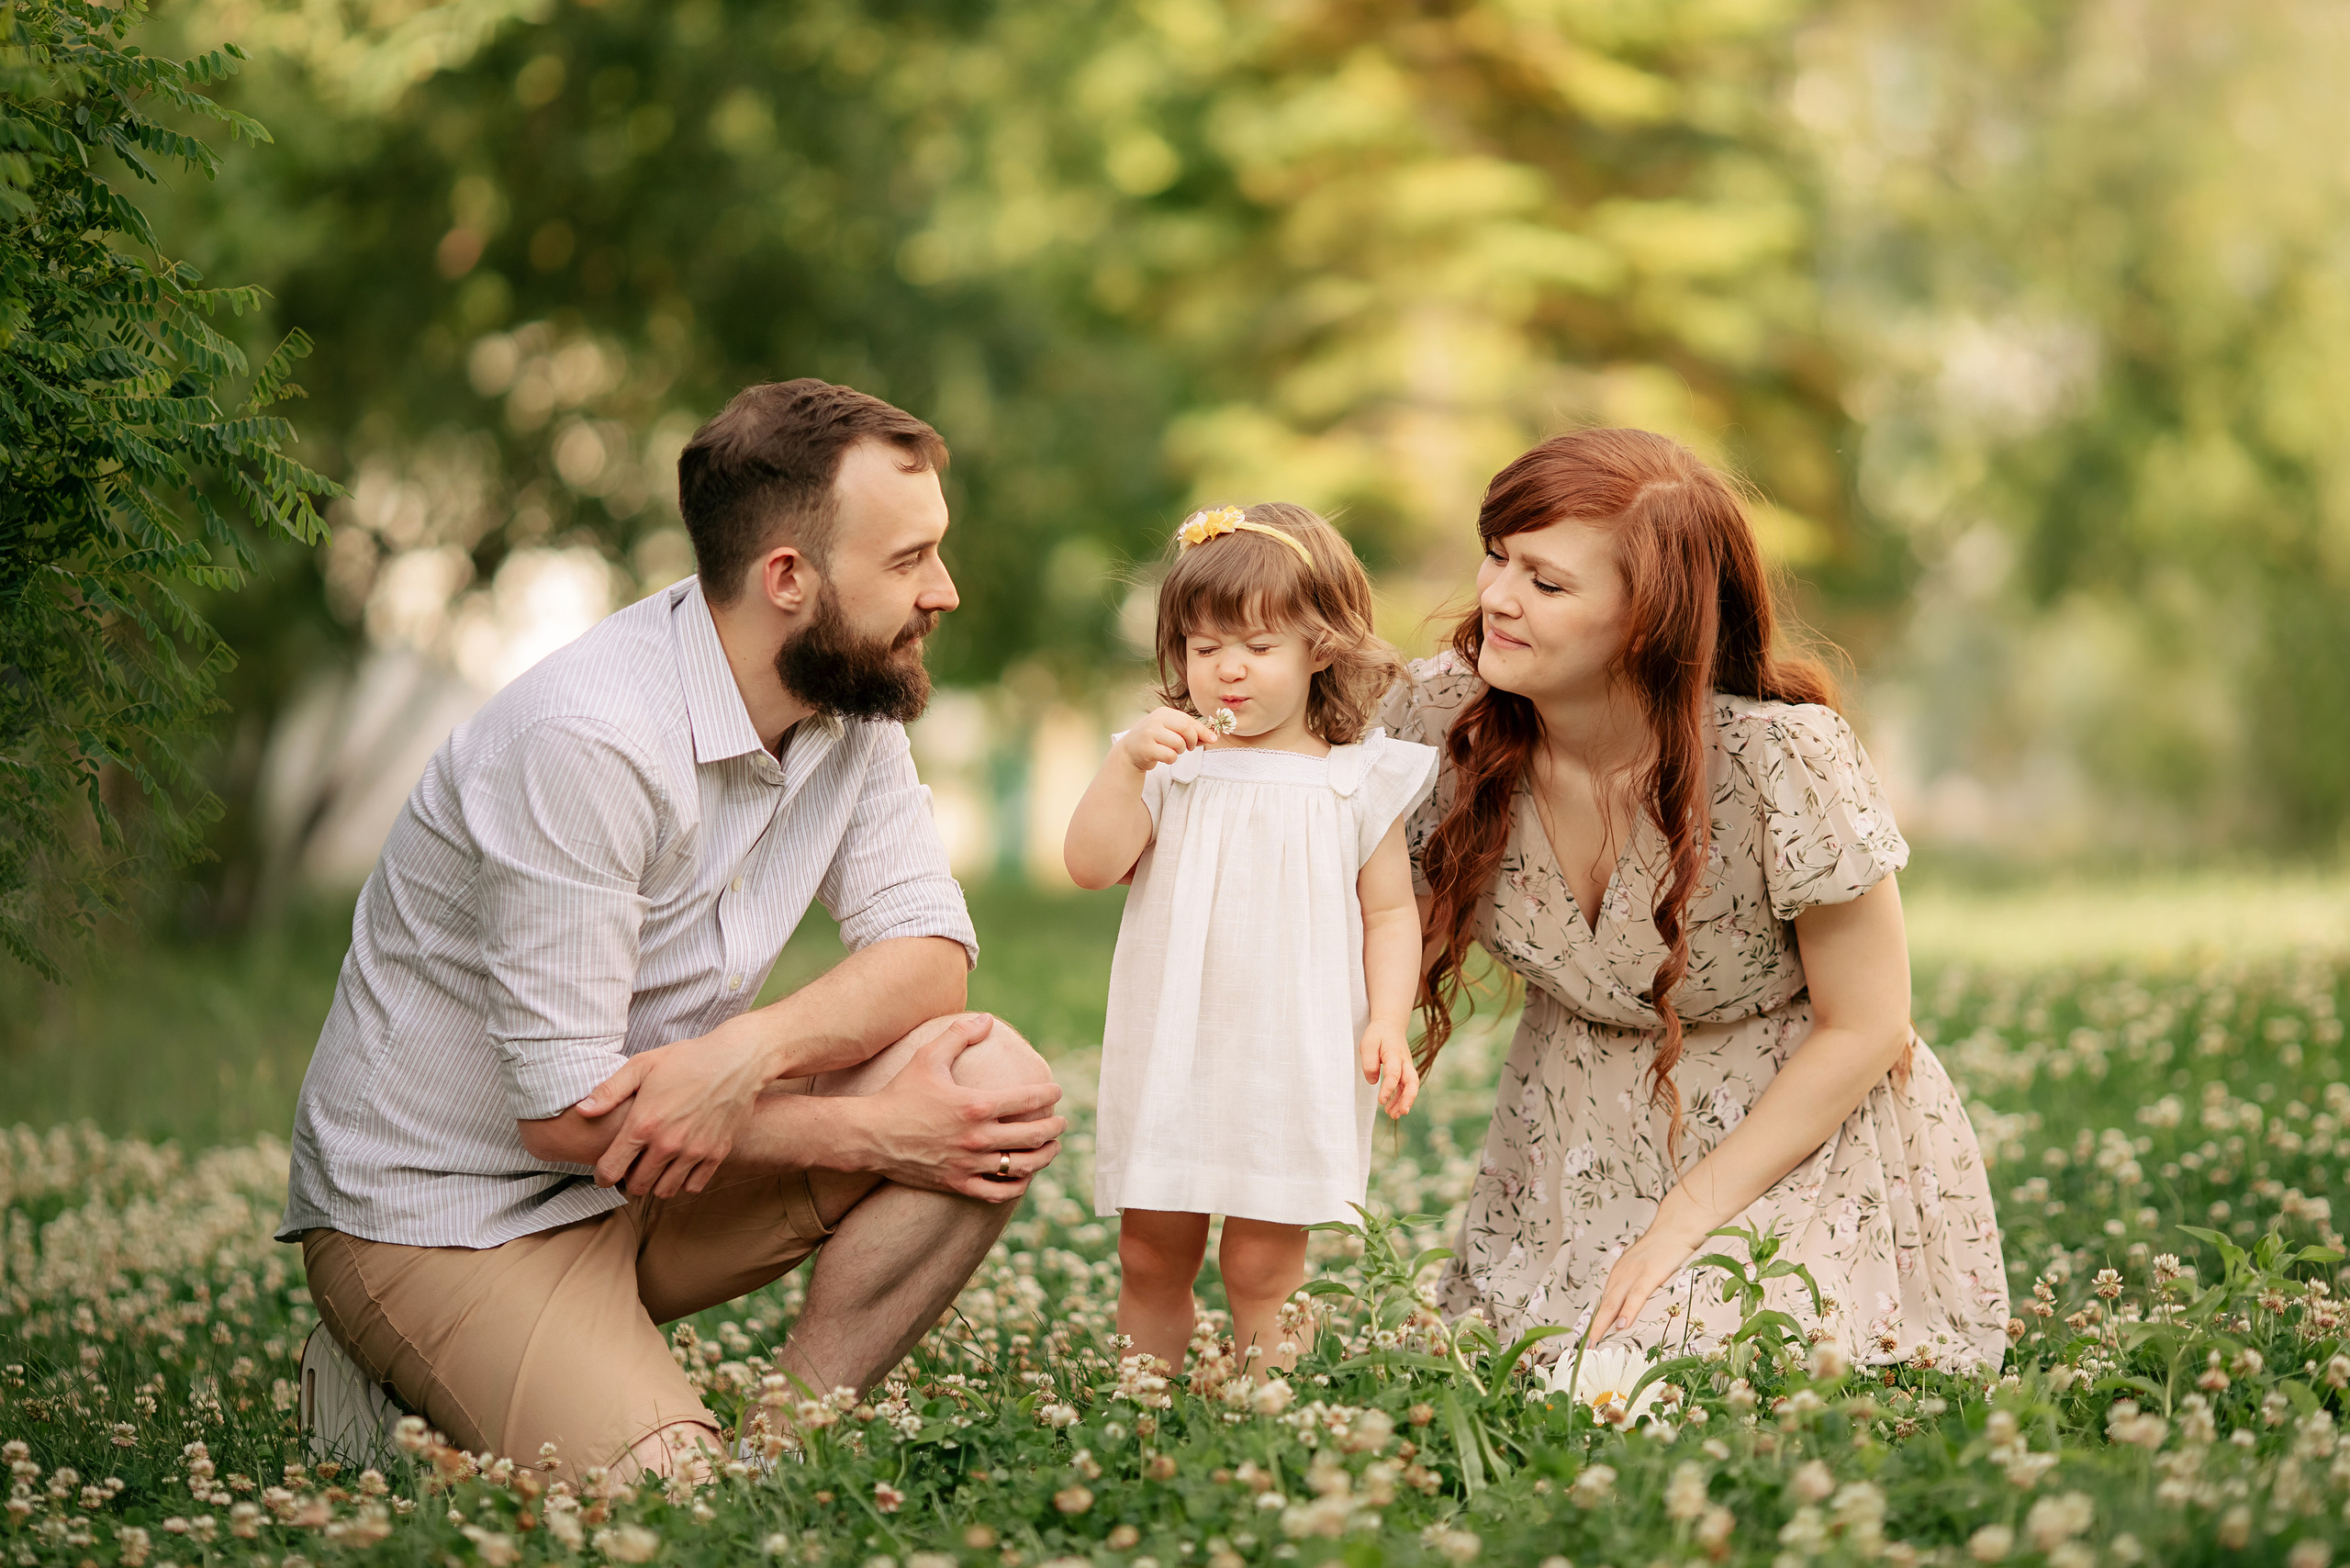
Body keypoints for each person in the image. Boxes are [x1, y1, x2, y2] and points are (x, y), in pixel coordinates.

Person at [280, 379, 1069, 1480]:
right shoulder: (587, 739)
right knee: (668, 1506)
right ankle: (400, 1356)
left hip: (653, 1174)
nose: (943, 590)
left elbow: (929, 959)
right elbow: (565, 1115)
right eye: (908, 560)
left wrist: (741, 1056)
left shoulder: (850, 693)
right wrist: (880, 1135)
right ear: (787, 578)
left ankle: (794, 1442)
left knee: (995, 1085)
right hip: (449, 1215)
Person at [1380, 430, 2009, 1369]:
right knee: (1534, 1382)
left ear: (1648, 619)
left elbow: (1868, 1024)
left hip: (1790, 1147)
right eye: (1497, 556)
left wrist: (1689, 1218)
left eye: (1546, 583)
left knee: (1657, 1382)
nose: (1496, 598)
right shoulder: (1442, 720)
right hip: (1569, 1146)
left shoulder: (1780, 760)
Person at [1064, 502, 1438, 1374]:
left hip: (1291, 1056)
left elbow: (1388, 914)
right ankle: (1144, 1403)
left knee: (1266, 1266)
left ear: (1322, 648)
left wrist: (1389, 1017)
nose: (1228, 671)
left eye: (1259, 648)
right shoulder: (1169, 764)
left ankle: (1267, 1417)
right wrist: (1126, 765)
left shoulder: (1353, 780)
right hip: (1174, 1049)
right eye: (1204, 649)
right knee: (1152, 1251)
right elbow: (1090, 865)